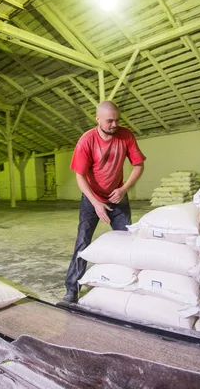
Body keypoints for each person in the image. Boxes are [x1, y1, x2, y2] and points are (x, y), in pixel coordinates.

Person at [63, 101, 146, 303]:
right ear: (97, 118)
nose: (114, 124)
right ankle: (72, 288)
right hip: (92, 197)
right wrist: (95, 203)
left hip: (118, 197)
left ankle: (125, 284)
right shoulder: (86, 141)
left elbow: (138, 165)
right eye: (110, 121)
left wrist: (124, 189)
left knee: (126, 242)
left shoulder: (125, 135)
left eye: (117, 120)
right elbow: (80, 177)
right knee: (83, 242)